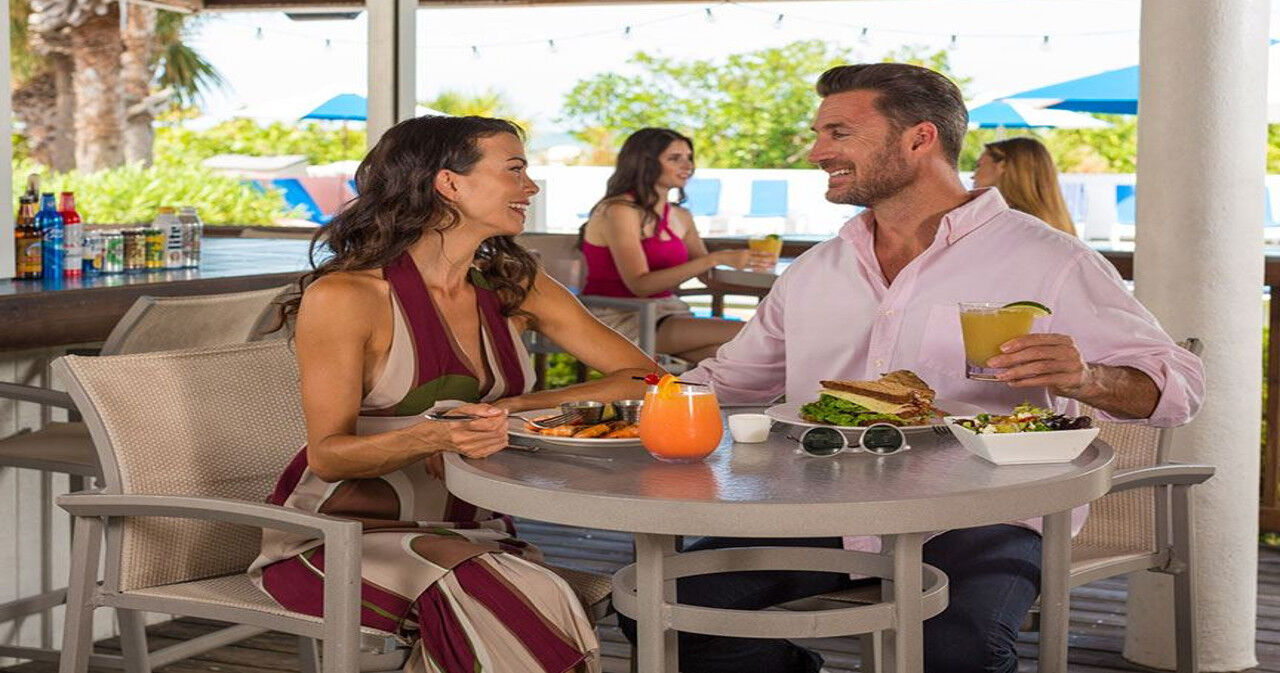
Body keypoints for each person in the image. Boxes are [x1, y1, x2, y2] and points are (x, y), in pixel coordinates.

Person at [619, 64, 1205, 673]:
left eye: (839, 133)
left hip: (981, 515)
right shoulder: (818, 269)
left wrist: (1088, 379)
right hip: (823, 508)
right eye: (819, 133)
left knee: (957, 651)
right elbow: (725, 383)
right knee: (659, 609)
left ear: (920, 139)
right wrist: (592, 410)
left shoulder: (1047, 258)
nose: (817, 152)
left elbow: (1180, 385)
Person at [251, 116, 655, 673]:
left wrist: (509, 410)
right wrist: (434, 436)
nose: (530, 188)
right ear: (449, 183)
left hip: (476, 532)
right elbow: (329, 454)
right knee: (511, 598)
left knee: (512, 593)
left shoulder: (515, 283)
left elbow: (646, 379)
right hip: (340, 537)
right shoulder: (347, 296)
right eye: (514, 170)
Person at [579, 127, 759, 362]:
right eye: (675, 159)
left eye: (689, 158)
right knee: (753, 335)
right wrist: (717, 258)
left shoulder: (680, 215)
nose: (688, 166)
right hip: (619, 316)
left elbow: (706, 275)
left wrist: (757, 273)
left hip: (667, 312)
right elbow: (640, 286)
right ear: (644, 163)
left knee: (724, 359)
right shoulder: (619, 210)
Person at [973, 136, 1076, 234]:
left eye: (978, 166)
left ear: (1002, 166)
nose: (973, 176)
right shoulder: (1058, 221)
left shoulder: (1004, 223)